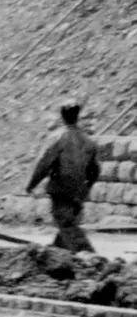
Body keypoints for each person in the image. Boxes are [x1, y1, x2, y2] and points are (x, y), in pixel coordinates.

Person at [26, 99, 100, 253]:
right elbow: (95, 170)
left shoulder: (58, 138)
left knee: (65, 223)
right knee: (67, 223)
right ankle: (59, 252)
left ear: (62, 116)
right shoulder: (88, 141)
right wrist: (86, 187)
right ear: (77, 116)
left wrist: (32, 184)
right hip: (78, 191)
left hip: (61, 188)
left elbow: (44, 163)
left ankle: (88, 255)